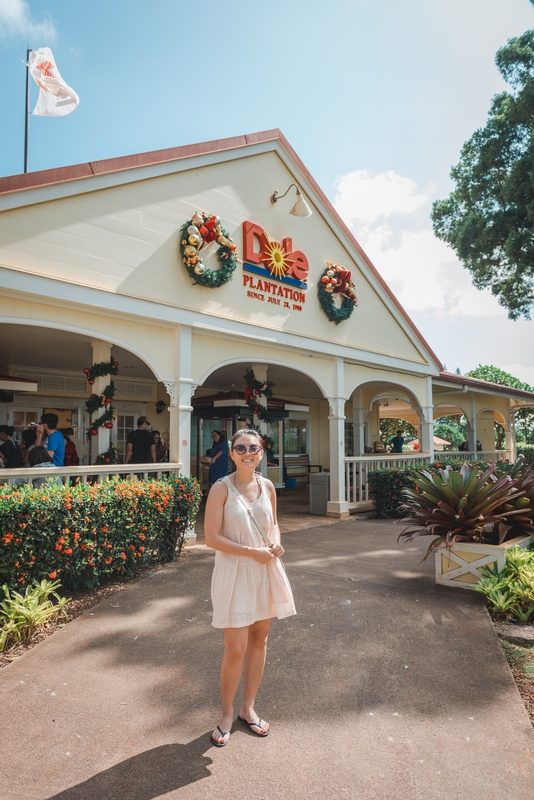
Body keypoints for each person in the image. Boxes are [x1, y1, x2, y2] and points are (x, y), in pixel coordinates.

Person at [204, 428, 296, 748]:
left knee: (260, 639)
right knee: (235, 648)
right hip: (234, 572)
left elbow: (273, 525)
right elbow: (211, 538)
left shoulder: (267, 485)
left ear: (261, 453)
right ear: (231, 454)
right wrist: (251, 552)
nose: (247, 452)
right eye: (240, 448)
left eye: (253, 448)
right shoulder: (221, 488)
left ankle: (248, 708)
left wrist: (276, 543)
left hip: (264, 570)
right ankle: (227, 713)